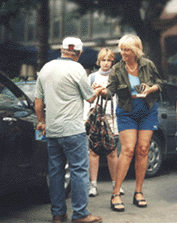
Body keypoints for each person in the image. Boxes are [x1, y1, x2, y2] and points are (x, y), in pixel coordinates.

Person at [35, 37, 103, 223]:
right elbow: (89, 98)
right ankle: (81, 214)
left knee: (55, 172)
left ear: (62, 50)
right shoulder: (77, 68)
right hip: (73, 129)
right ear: (79, 54)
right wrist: (97, 90)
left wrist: (42, 121)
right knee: (79, 171)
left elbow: (38, 101)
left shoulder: (46, 68)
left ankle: (58, 214)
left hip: (53, 130)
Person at [101, 34, 163, 212]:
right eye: (121, 49)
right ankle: (116, 193)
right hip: (127, 112)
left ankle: (138, 192)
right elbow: (110, 90)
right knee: (127, 150)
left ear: (136, 50)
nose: (123, 53)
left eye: (126, 49)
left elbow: (160, 83)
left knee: (143, 150)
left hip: (147, 110)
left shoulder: (148, 64)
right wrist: (101, 91)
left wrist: (151, 89)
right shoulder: (117, 69)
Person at [84, 48, 124, 197]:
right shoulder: (92, 77)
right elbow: (87, 99)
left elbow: (119, 97)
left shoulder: (117, 76)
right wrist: (85, 118)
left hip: (112, 117)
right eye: (103, 60)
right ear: (99, 61)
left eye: (109, 60)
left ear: (112, 62)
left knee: (112, 151)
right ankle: (93, 185)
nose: (106, 63)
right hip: (96, 117)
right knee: (93, 151)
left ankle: (116, 184)